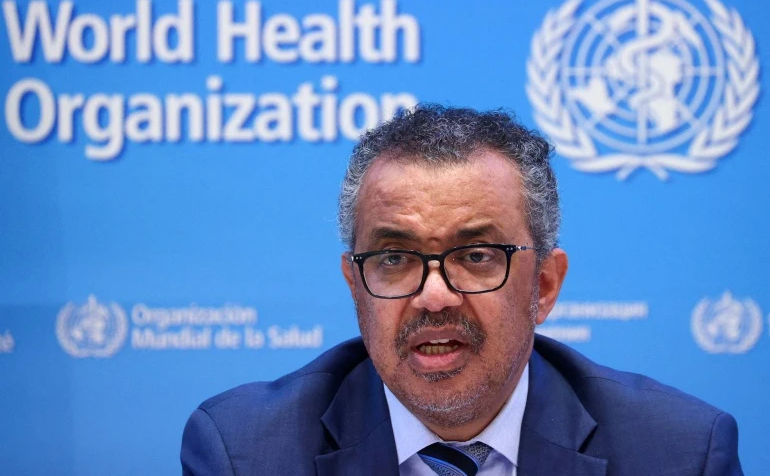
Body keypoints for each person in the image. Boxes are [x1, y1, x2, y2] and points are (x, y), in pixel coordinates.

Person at [181, 105, 743, 475]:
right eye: (395, 258)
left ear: (544, 286)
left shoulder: (679, 453)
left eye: (476, 256)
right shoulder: (245, 452)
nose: (434, 296)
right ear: (355, 286)